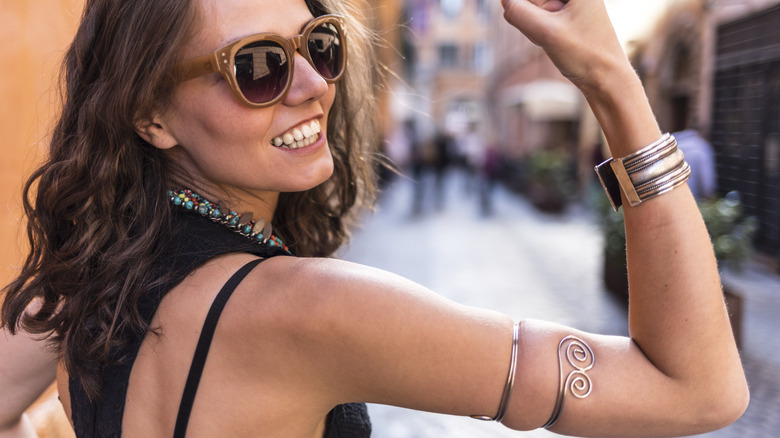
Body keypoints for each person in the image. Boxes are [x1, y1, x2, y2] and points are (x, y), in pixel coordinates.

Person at [1, 0, 748, 437]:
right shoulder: (312, 309)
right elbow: (697, 388)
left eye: (318, 46)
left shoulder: (74, 289)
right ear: (149, 115)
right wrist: (612, 82)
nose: (311, 85)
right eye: (257, 66)